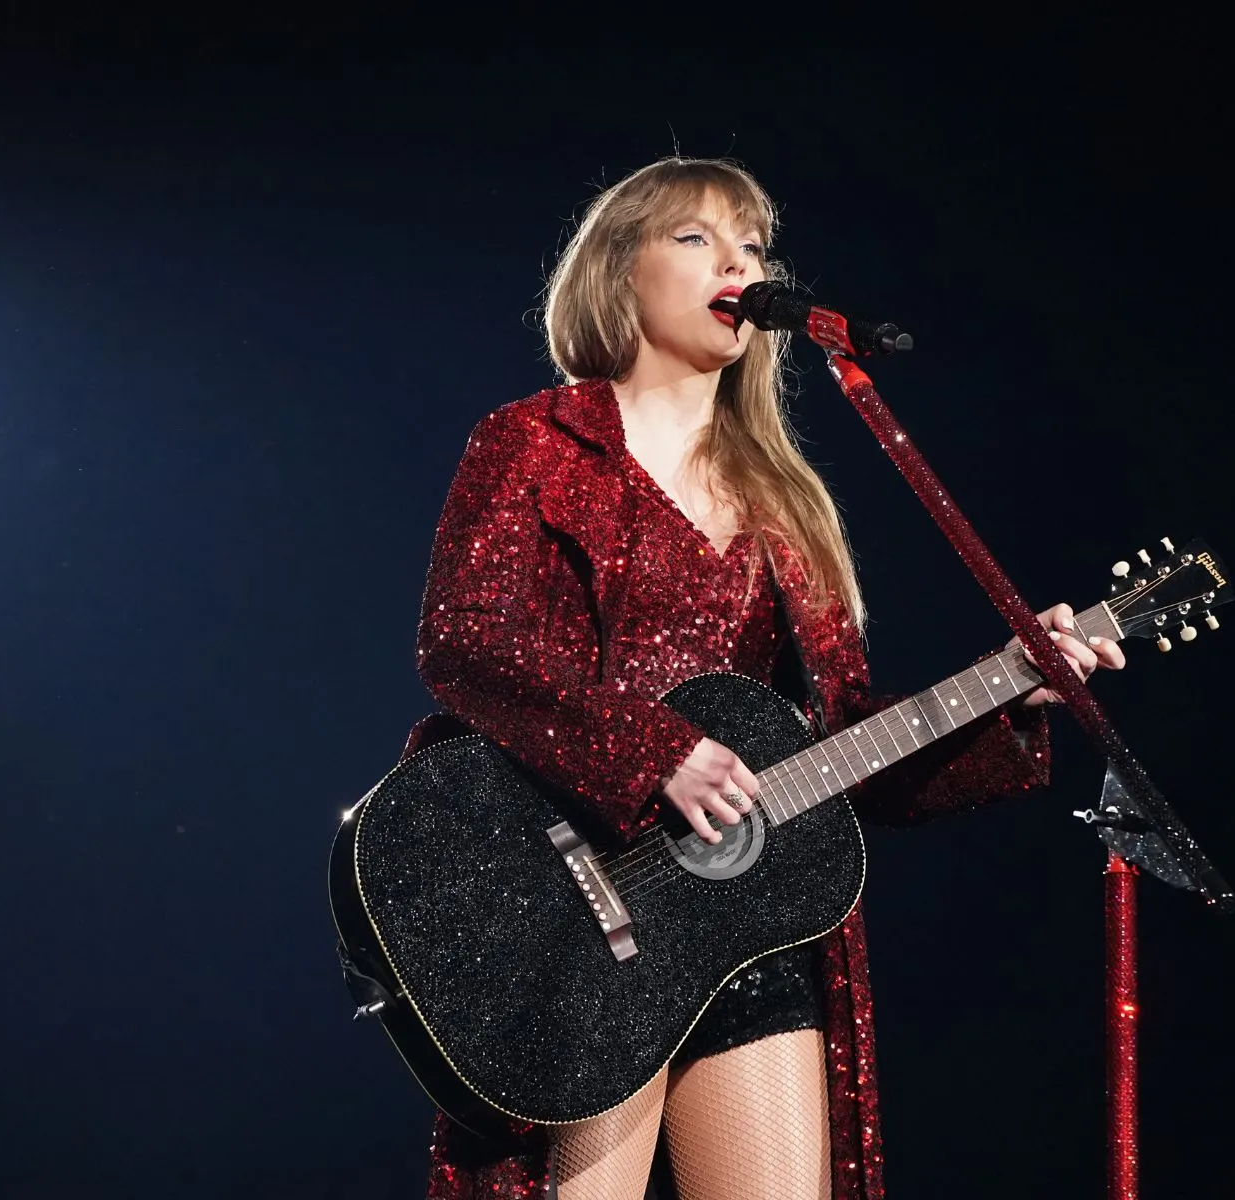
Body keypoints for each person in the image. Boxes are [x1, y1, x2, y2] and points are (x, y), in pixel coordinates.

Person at [401, 157, 1126, 1200]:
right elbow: (464, 643)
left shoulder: (786, 502)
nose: (738, 263)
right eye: (699, 239)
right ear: (619, 271)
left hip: (744, 927)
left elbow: (852, 752)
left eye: (752, 247)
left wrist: (1010, 689)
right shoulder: (534, 442)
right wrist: (658, 754)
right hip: (580, 906)